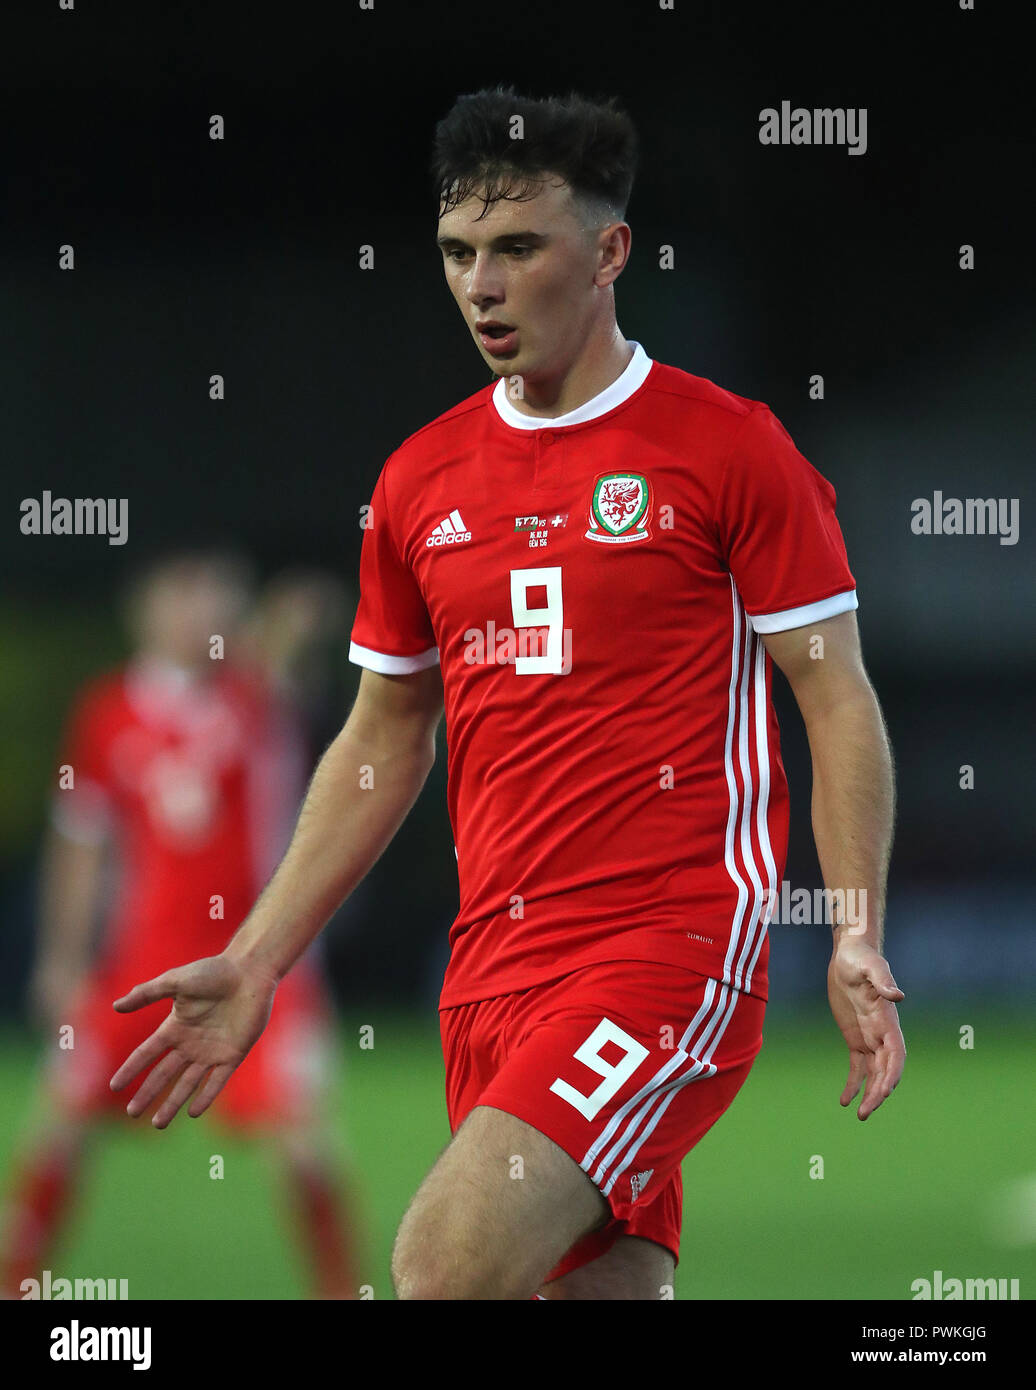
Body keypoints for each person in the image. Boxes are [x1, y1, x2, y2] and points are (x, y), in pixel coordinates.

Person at [109, 88, 905, 1301]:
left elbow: (833, 693)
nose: (482, 284)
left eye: (518, 248)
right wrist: (261, 956)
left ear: (608, 251)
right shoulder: (420, 479)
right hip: (491, 972)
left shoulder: (725, 449)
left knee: (443, 1264)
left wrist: (853, 925)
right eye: (459, 253)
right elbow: (385, 735)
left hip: (669, 945)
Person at [1, 551, 358, 1300]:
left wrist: (300, 613)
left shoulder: (256, 694)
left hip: (262, 961)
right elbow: (82, 843)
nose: (208, 611)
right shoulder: (108, 712)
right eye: (189, 592)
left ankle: (340, 1292)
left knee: (306, 1141)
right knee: (56, 1128)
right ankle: (18, 1286)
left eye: (221, 594)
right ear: (148, 607)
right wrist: (62, 960)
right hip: (142, 963)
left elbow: (287, 642)